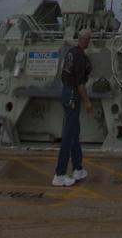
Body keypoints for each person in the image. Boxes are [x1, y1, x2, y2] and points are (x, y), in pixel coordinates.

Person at [52, 28, 93, 186]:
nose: (89, 41)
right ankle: (60, 174)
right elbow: (80, 83)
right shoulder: (81, 56)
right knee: (69, 135)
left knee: (74, 132)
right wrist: (87, 101)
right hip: (73, 95)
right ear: (85, 40)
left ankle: (78, 169)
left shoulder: (71, 52)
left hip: (66, 92)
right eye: (88, 39)